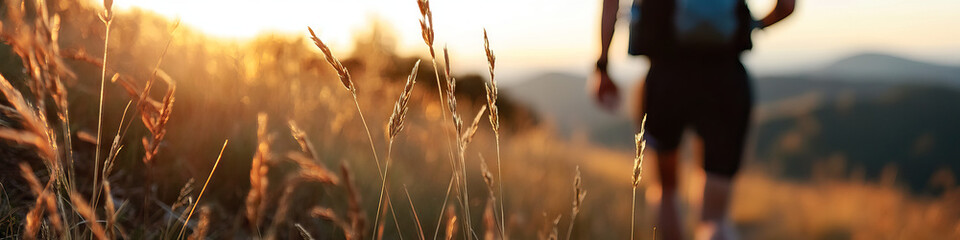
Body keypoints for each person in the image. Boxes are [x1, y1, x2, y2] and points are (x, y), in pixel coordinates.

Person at [592, 0, 795, 239]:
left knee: (665, 191)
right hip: (726, 79)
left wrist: (603, 65)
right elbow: (786, 6)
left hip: (665, 76)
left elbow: (610, 4)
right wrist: (755, 24)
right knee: (716, 217)